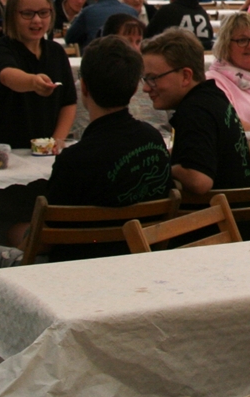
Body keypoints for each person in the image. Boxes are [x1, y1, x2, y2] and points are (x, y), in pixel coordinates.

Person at [43, 37, 170, 257]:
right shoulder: (154, 140)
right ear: (134, 89)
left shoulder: (73, 160)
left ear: (83, 87)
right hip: (141, 259)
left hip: (77, 268)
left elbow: (48, 237)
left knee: (12, 232)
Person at [143, 29, 250, 196]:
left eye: (153, 79)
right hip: (242, 205)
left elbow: (199, 181)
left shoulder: (194, 112)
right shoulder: (214, 96)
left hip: (224, 210)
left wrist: (160, 164)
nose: (145, 88)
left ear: (186, 76)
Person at [0, 0, 76, 151]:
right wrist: (33, 82)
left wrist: (56, 140)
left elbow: (68, 102)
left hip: (46, 150)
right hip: (9, 149)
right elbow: (7, 76)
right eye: (27, 14)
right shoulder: (1, 48)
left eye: (43, 13)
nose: (37, 20)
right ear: (12, 14)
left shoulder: (56, 52)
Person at [145, 0, 216, 48]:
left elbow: (148, 35)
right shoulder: (201, 11)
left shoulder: (167, 10)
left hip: (179, 53)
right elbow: (210, 36)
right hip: (203, 52)